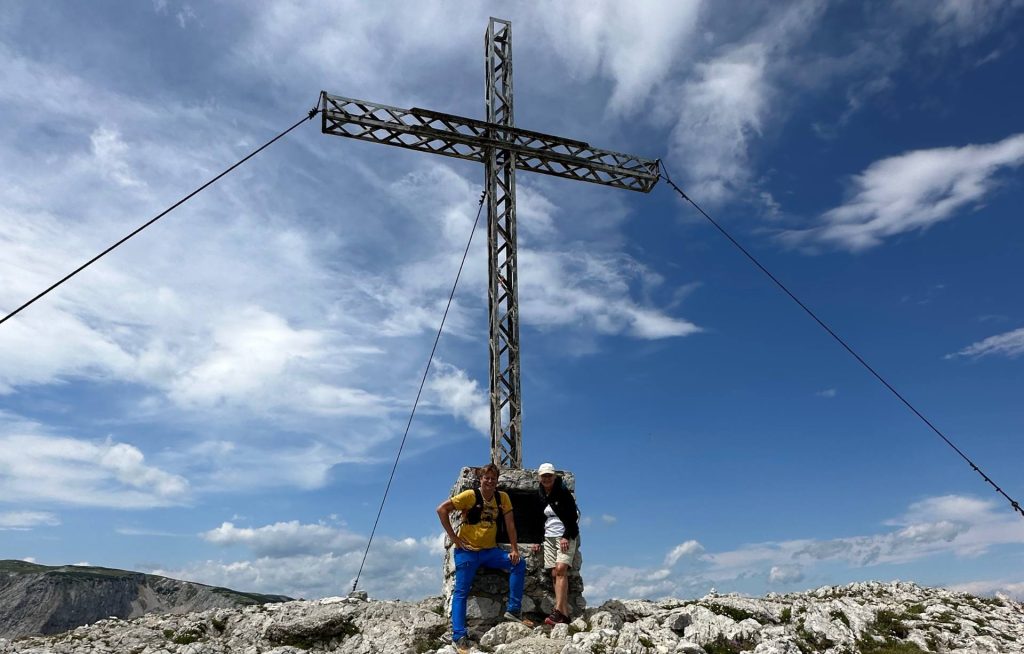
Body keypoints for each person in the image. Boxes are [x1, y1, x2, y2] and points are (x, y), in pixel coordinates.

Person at [436, 463, 527, 653]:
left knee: (518, 563)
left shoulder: (502, 498)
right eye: (487, 478)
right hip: (467, 552)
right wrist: (454, 538)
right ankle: (459, 635)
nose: (490, 481)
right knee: (461, 591)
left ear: (497, 481)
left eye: (493, 478)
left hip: (489, 551)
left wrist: (514, 549)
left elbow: (510, 524)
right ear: (481, 479)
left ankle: (513, 610)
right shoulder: (470, 496)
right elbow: (442, 509)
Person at [535, 462, 580, 626]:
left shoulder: (563, 492)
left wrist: (566, 536)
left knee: (561, 569)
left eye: (549, 475)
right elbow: (538, 519)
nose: (546, 478)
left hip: (564, 536)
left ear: (554, 476)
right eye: (543, 476)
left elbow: (572, 516)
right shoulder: (540, 494)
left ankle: (558, 611)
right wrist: (538, 539)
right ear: (539, 478)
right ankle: (565, 616)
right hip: (548, 537)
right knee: (555, 573)